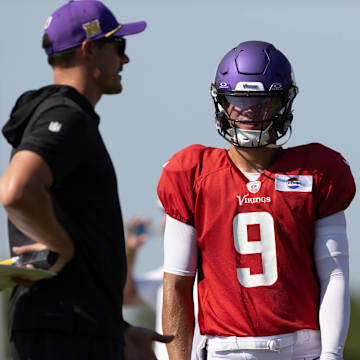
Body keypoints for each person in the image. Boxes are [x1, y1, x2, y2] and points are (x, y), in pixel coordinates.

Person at [157, 40, 356, 360]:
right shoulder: (192, 172)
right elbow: (177, 284)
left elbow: (334, 274)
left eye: (264, 103)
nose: (249, 113)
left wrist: (331, 354)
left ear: (284, 104)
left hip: (301, 348)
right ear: (221, 103)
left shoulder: (318, 170)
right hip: (223, 348)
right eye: (237, 101)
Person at [0, 1, 172, 359]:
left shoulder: (68, 115)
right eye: (119, 47)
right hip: (64, 333)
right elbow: (15, 190)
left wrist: (118, 329)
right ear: (88, 49)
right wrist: (59, 245)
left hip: (74, 328)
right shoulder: (66, 115)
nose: (126, 60)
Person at [123, 213, 202, 360]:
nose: (165, 220)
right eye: (165, 213)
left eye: (172, 212)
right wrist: (130, 250)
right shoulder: (164, 275)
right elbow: (126, 296)